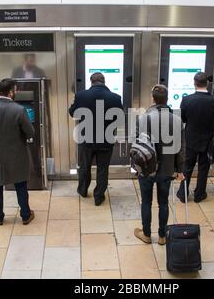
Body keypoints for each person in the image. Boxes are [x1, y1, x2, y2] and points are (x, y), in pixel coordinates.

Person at [0, 78, 35, 226]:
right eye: (15, 90)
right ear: (10, 92)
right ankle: (25, 215)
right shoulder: (19, 109)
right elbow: (30, 132)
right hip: (16, 154)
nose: (16, 93)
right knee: (21, 185)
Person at [133, 84, 185, 246]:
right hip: (167, 169)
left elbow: (136, 144)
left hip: (147, 168)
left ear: (153, 99)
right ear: (167, 99)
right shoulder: (177, 120)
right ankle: (162, 236)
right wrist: (180, 170)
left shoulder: (143, 118)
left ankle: (147, 234)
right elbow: (181, 148)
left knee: (146, 202)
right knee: (163, 202)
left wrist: (135, 166)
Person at [68, 72, 123, 206]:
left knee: (84, 167)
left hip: (86, 139)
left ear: (91, 82)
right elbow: (120, 118)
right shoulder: (115, 97)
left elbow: (72, 113)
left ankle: (83, 190)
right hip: (106, 139)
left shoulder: (81, 96)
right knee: (103, 169)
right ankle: (99, 196)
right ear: (104, 82)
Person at [176, 72, 214, 203]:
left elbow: (183, 118)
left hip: (191, 138)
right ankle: (199, 194)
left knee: (187, 166)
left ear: (194, 83)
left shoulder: (187, 100)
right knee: (204, 167)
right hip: (209, 140)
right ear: (207, 83)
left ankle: (183, 194)